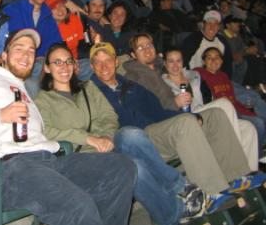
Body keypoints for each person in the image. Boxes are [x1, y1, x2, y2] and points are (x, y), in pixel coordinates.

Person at [0, 29, 136, 225]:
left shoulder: (25, 91)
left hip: (48, 161)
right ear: (3, 56)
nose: (26, 55)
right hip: (9, 169)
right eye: (19, 49)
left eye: (31, 51)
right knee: (76, 203)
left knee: (121, 167)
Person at [35, 43, 207, 225]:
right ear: (47, 67)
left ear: (75, 65)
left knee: (130, 134)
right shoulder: (42, 101)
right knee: (134, 166)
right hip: (82, 156)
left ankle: (180, 186)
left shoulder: (87, 88)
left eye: (68, 61)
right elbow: (46, 131)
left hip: (108, 145)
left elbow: (109, 116)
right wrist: (88, 138)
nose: (64, 67)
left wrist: (106, 137)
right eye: (57, 62)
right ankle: (174, 212)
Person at [90, 42, 265, 196]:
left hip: (160, 130)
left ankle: (235, 178)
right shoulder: (90, 92)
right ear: (91, 66)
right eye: (98, 62)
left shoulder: (132, 87)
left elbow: (159, 111)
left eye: (108, 60)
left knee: (214, 115)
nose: (103, 66)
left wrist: (191, 115)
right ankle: (211, 191)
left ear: (116, 62)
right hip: (138, 139)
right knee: (185, 124)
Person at [162, 47, 258, 170]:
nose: (175, 65)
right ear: (165, 63)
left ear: (183, 62)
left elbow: (208, 97)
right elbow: (165, 106)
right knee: (223, 103)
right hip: (187, 118)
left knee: (248, 128)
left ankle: (249, 173)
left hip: (204, 112)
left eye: (178, 60)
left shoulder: (194, 75)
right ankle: (234, 162)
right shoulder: (162, 83)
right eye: (171, 61)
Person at [194, 47, 266, 157]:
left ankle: (255, 153)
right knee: (259, 123)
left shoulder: (223, 76)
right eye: (209, 58)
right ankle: (258, 156)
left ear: (222, 61)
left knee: (259, 119)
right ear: (204, 61)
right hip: (222, 112)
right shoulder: (200, 73)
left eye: (217, 57)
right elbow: (189, 75)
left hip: (236, 110)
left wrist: (246, 110)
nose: (213, 60)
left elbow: (233, 98)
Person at [3, 0, 62, 98]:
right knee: (33, 83)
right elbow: (7, 40)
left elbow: (56, 45)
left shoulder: (48, 16)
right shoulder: (12, 9)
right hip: (14, 61)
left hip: (38, 65)